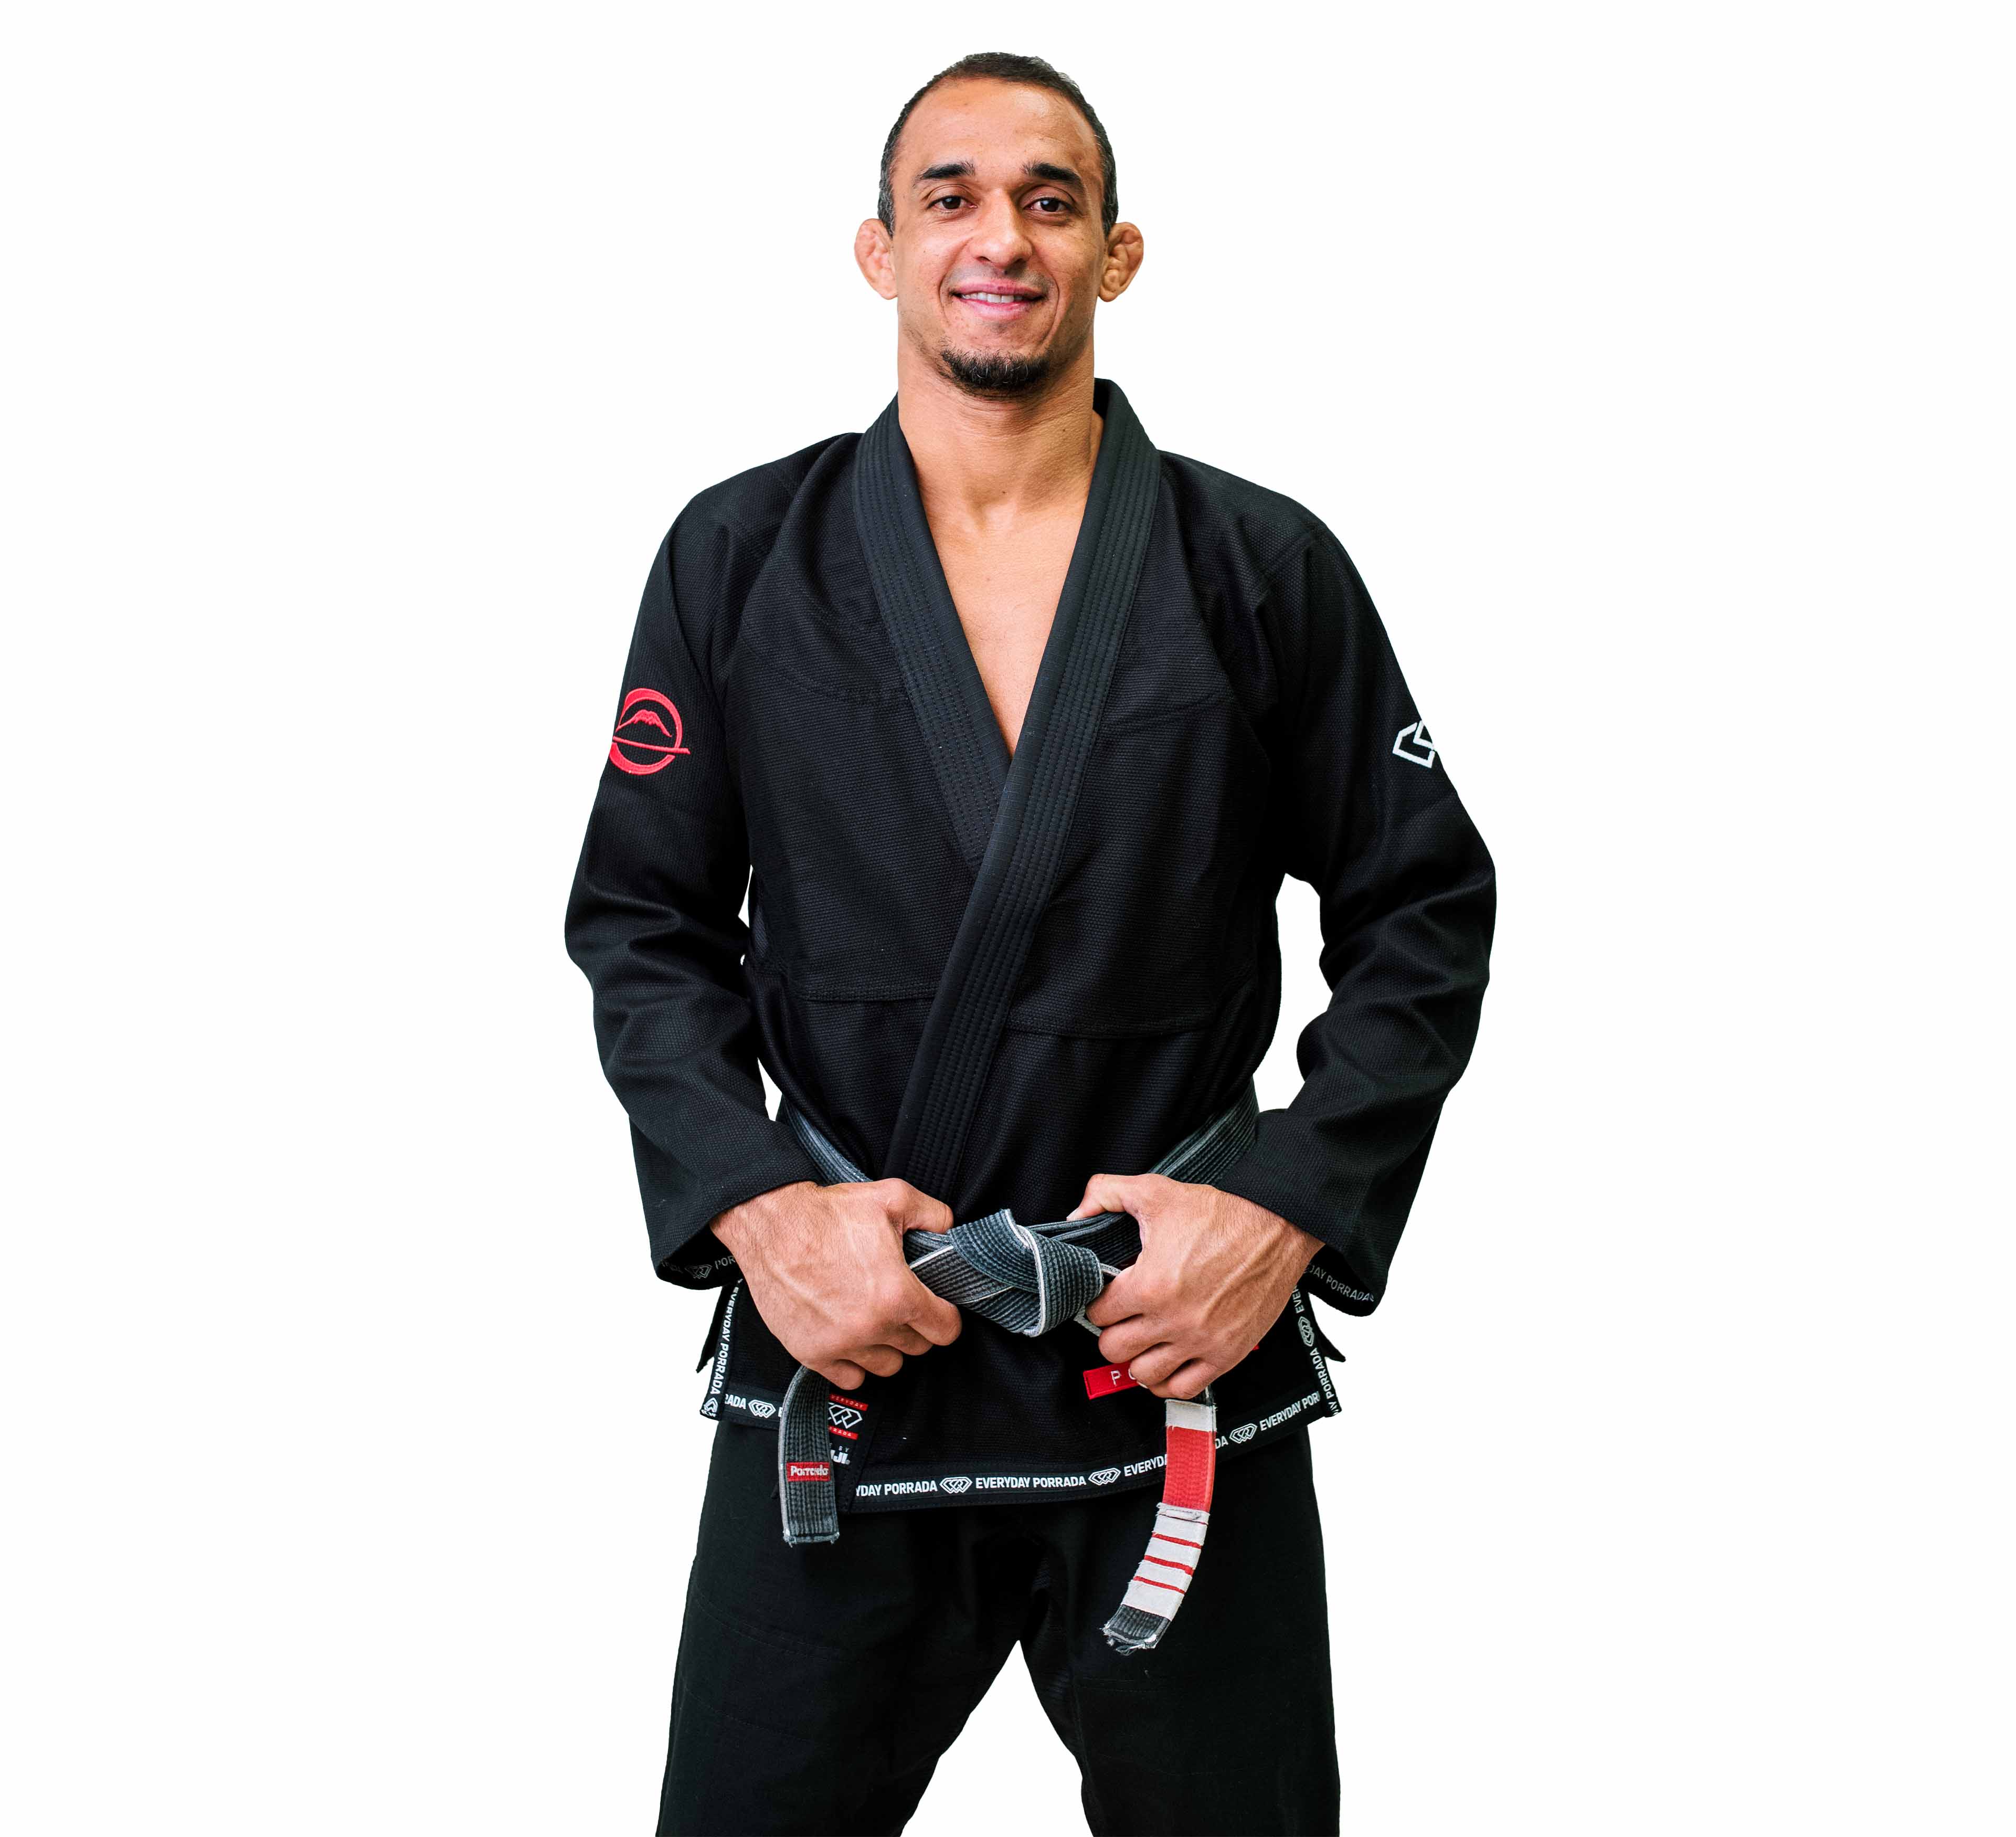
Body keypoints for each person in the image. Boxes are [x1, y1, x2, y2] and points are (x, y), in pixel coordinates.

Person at [565, 49, 1494, 1837]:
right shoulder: (741, 553)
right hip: (846, 1344)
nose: (1001, 237)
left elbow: (1422, 901)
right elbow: (643, 921)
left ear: (1116, 253)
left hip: (1163, 1349)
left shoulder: (1257, 562)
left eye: (1048, 200)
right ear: (879, 250)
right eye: (954, 197)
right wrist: (763, 1209)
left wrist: (1283, 1202)